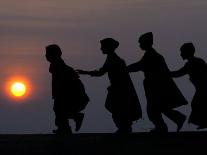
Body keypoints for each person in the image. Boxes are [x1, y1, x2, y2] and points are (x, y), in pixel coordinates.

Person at [77, 38, 142, 133]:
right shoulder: (112, 59)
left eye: (102, 47)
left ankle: (124, 127)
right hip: (119, 89)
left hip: (119, 89)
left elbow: (101, 72)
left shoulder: (113, 60)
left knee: (117, 109)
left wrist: (85, 72)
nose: (101, 49)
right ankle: (125, 127)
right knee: (117, 109)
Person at [127, 32, 187, 132]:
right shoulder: (151, 55)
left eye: (141, 43)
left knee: (153, 110)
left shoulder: (152, 56)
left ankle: (164, 126)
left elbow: (139, 65)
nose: (140, 45)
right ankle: (174, 120)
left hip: (156, 87)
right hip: (154, 87)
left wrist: (125, 69)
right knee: (159, 108)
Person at [45, 44, 89, 135]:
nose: (46, 56)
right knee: (59, 110)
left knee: (60, 110)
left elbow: (66, 84)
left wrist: (59, 95)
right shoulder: (57, 67)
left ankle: (70, 123)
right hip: (64, 94)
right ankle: (65, 127)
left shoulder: (60, 68)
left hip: (69, 95)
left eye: (48, 54)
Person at [171, 43, 207, 129]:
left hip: (203, 89)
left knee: (197, 104)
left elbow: (178, 73)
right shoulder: (197, 62)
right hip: (201, 89)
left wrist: (165, 73)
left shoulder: (192, 64)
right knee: (197, 104)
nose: (180, 54)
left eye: (182, 52)